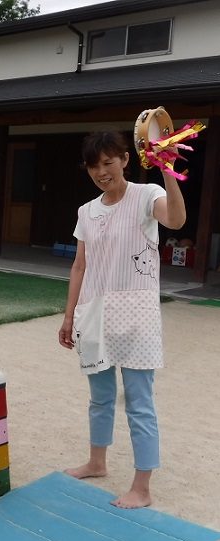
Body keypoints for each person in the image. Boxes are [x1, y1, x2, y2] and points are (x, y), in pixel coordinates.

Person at [58, 130, 186, 510]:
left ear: (125, 159)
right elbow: (80, 265)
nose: (102, 171)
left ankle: (142, 488)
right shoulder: (86, 211)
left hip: (137, 313)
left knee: (139, 401)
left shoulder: (147, 196)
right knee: (99, 398)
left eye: (109, 162)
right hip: (94, 312)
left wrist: (169, 170)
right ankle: (97, 462)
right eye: (95, 165)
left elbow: (177, 221)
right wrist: (69, 317)